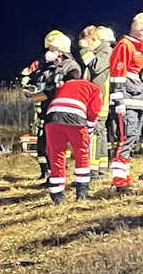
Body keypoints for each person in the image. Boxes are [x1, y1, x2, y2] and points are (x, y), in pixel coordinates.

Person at [21, 32, 82, 182]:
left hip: (63, 113)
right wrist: (28, 82)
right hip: (46, 111)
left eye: (52, 49)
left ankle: (60, 175)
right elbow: (39, 83)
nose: (48, 52)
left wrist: (39, 96)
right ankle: (46, 174)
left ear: (61, 51)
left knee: (58, 147)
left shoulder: (72, 67)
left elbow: (60, 90)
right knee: (43, 145)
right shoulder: (46, 68)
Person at [42, 68, 104, 203]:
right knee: (82, 154)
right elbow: (94, 111)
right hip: (75, 120)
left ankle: (57, 196)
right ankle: (82, 193)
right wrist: (90, 130)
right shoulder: (94, 88)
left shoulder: (64, 85)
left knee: (56, 155)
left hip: (52, 119)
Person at [107, 14, 143, 189]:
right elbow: (117, 73)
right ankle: (119, 180)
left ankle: (123, 176)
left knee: (134, 138)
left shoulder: (142, 48)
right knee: (127, 137)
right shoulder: (125, 45)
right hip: (127, 100)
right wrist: (118, 101)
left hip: (140, 100)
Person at [78, 25, 114, 171]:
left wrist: (85, 50)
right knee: (99, 132)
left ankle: (93, 170)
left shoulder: (106, 51)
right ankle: (101, 168)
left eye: (87, 42)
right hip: (95, 98)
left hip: (100, 100)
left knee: (95, 133)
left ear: (93, 39)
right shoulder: (100, 52)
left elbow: (95, 67)